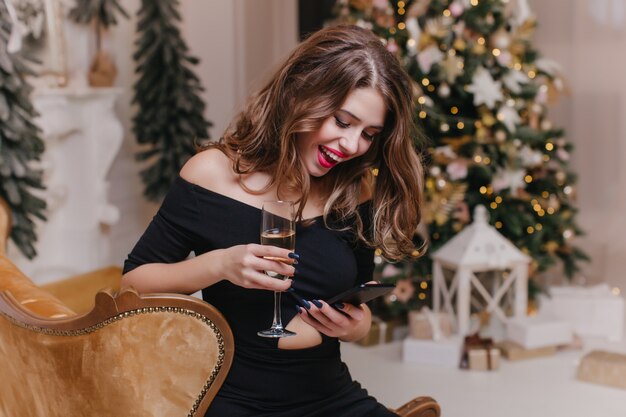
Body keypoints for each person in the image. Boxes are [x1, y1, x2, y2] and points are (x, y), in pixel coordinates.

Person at [122, 24, 424, 417]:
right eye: (343, 121)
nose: (353, 146)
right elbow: (131, 286)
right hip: (237, 399)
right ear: (302, 94)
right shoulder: (212, 174)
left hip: (331, 395)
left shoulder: (353, 189)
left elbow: (358, 302)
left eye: (369, 133)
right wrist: (219, 265)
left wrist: (356, 327)